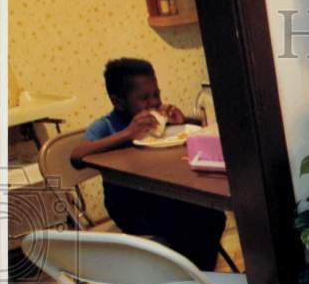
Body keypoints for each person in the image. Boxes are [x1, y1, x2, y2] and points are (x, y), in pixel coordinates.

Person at [71, 58, 226, 270]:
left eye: (156, 94)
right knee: (185, 227)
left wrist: (182, 122)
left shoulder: (158, 122)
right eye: (144, 98)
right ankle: (187, 277)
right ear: (118, 101)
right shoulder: (107, 125)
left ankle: (201, 275)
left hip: (167, 193)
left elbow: (197, 131)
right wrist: (127, 133)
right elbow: (76, 156)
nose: (153, 102)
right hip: (129, 204)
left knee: (212, 216)